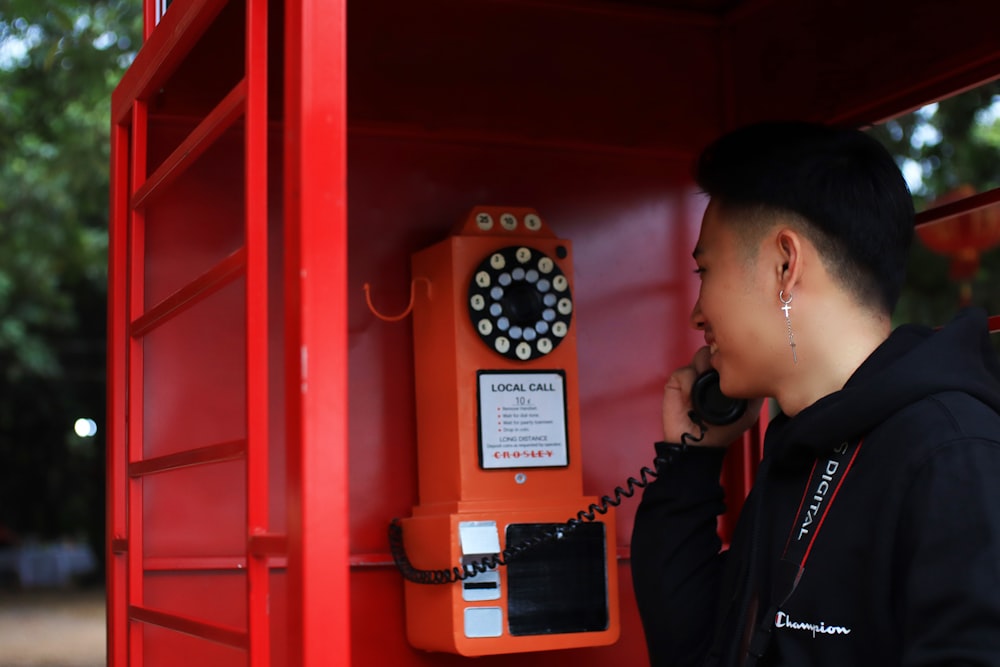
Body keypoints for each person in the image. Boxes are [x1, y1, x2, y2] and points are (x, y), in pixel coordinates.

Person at [630, 120, 1000, 666]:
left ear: (785, 263)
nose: (696, 313)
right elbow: (691, 647)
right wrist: (691, 462)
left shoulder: (950, 452)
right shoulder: (801, 448)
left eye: (705, 270)